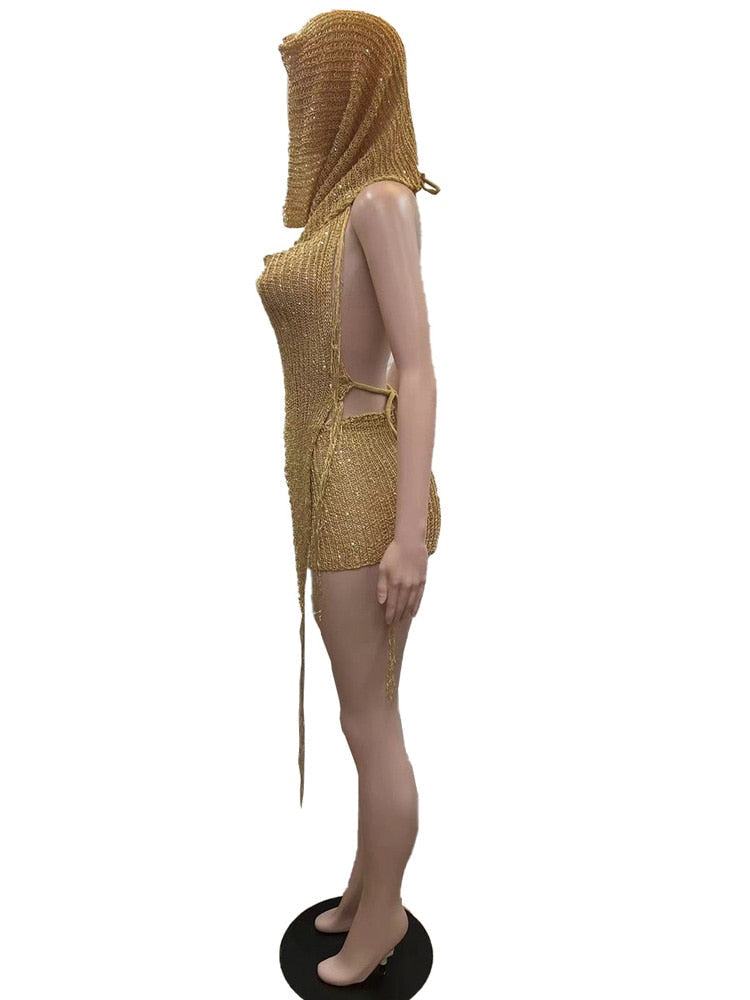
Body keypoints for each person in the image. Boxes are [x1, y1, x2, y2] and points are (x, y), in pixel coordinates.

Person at [256, 10, 442, 986]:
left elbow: (420, 366)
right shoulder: (341, 212)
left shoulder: (380, 202)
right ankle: (368, 889)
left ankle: (384, 925)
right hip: (330, 479)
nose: (304, 107)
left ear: (353, 84)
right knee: (364, 713)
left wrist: (407, 533)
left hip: (361, 491)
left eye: (315, 85)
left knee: (371, 722)